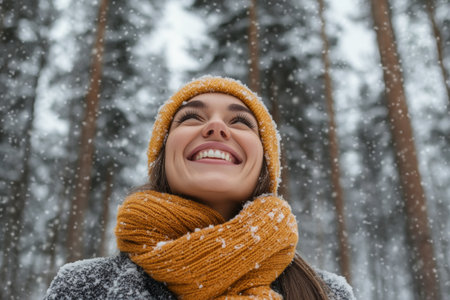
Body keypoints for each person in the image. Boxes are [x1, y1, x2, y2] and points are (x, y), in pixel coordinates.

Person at [45, 76, 355, 299]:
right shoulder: (81, 288)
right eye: (191, 117)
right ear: (162, 156)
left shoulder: (328, 294)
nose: (216, 127)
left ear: (265, 165)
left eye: (241, 123)